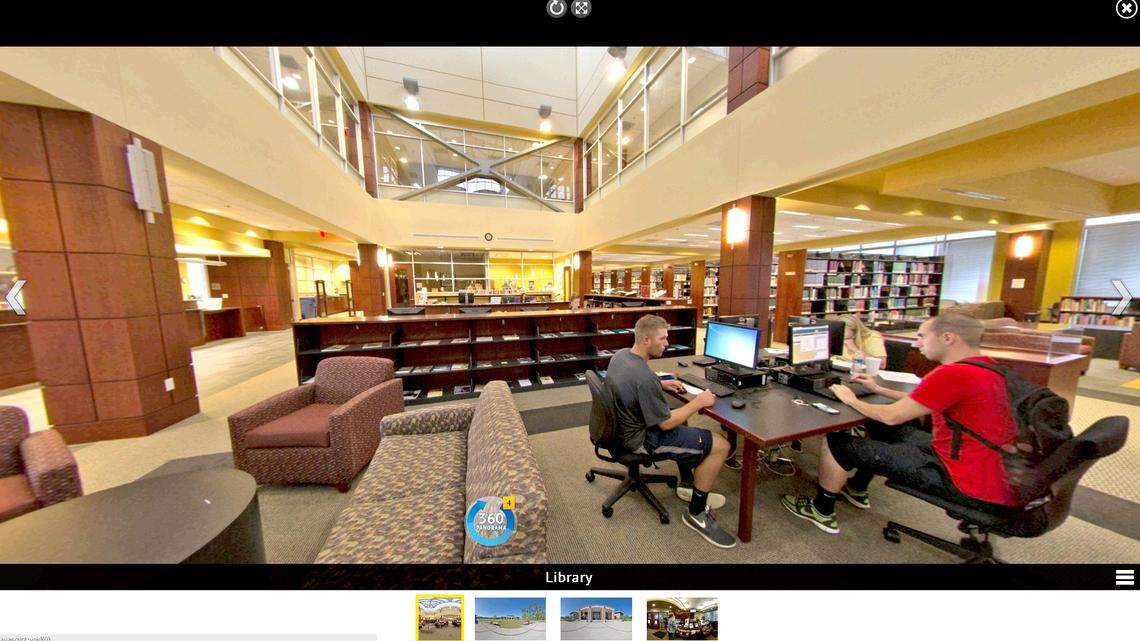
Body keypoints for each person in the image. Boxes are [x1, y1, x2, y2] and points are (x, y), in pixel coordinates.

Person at [781, 313, 1018, 534]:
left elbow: (890, 415)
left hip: (964, 477)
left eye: (922, 336)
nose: (915, 344)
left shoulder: (952, 374)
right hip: (990, 466)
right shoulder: (986, 367)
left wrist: (851, 399)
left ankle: (821, 510)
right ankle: (856, 487)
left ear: (948, 338)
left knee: (838, 441)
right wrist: (878, 389)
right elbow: (923, 400)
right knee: (880, 428)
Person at [607, 314, 737, 548]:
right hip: (642, 439)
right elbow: (665, 424)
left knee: (681, 417)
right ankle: (696, 513)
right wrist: (699, 402)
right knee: (720, 445)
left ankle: (689, 484)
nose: (667, 343)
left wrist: (661, 383)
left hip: (620, 427)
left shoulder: (622, 356)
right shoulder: (644, 378)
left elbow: (641, 383)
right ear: (646, 340)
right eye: (663, 338)